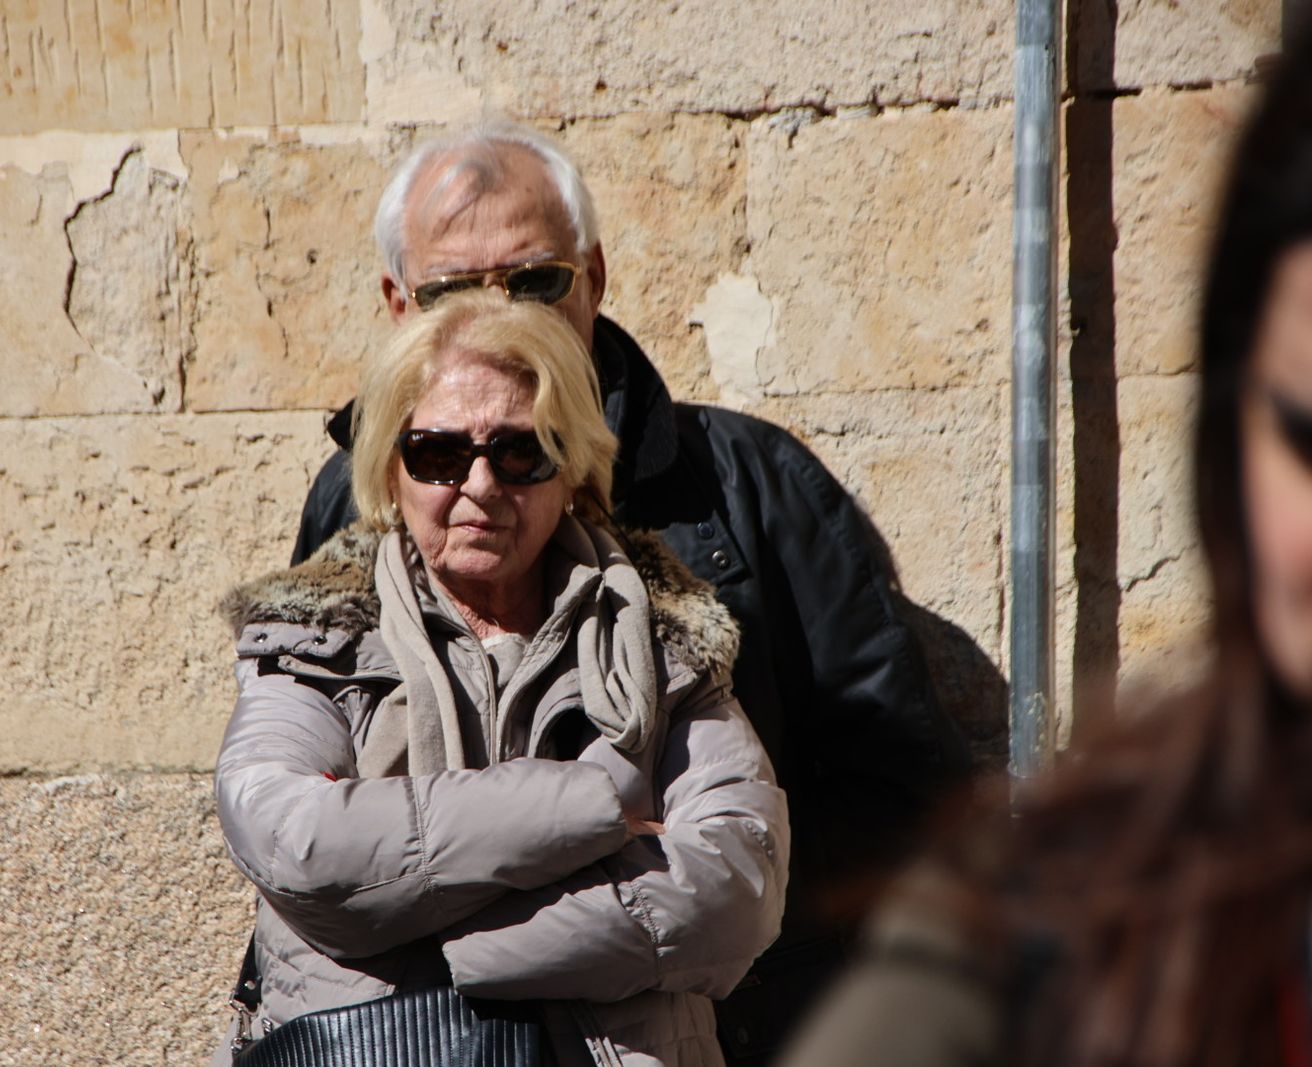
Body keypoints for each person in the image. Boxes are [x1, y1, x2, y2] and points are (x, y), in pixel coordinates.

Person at [290, 121, 972, 1060]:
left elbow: (896, 791)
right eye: (453, 290)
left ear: (595, 276)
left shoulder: (751, 485)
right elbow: (300, 826)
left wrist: (718, 920)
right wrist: (602, 843)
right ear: (398, 303)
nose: (500, 315)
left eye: (534, 281)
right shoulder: (351, 498)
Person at [778, 27, 1312, 1067]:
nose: (480, 482)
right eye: (1307, 437)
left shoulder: (760, 490)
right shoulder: (1045, 932)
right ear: (1227, 447)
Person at [215, 290, 788, 1067]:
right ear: (390, 468)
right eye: (438, 454)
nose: (481, 485)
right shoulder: (314, 641)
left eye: (521, 451)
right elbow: (298, 842)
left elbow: (738, 886)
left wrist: (437, 940)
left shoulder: (666, 650)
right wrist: (595, 814)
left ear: (572, 469)